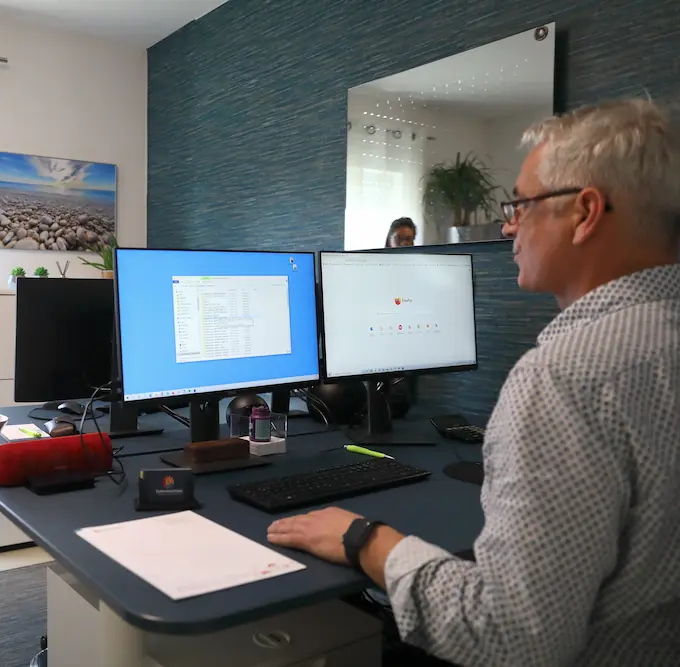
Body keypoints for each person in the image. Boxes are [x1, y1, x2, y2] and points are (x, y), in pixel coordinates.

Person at [268, 98, 680, 666]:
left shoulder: (564, 379)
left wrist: (365, 539)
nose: (509, 224)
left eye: (522, 204)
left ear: (585, 212)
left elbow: (508, 636)